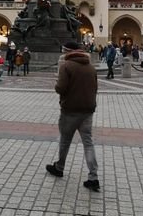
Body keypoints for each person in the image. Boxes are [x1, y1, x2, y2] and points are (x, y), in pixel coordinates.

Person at [46, 41, 100, 192]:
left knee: (65, 140)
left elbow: (61, 88)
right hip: (87, 110)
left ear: (67, 51)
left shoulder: (66, 66)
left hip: (70, 109)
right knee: (88, 143)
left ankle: (60, 167)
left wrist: (56, 84)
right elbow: (95, 87)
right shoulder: (90, 67)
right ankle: (93, 177)